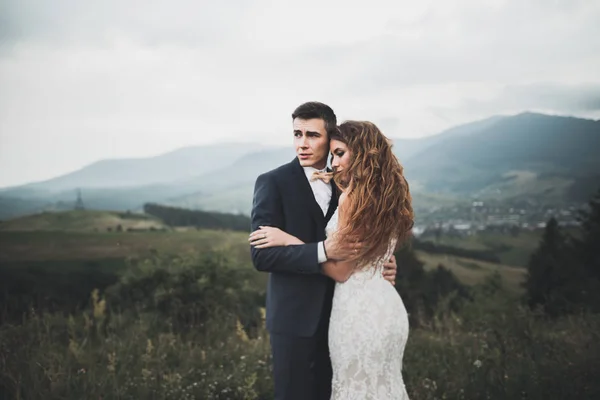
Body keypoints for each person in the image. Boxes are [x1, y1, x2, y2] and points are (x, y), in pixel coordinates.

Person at [250, 119, 413, 399]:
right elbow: (377, 247)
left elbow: (341, 271)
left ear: (361, 154)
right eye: (297, 134)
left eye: (339, 154)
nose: (334, 163)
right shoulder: (387, 195)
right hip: (385, 306)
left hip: (358, 311)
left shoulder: (352, 197)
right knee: (382, 386)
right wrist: (380, 264)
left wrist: (288, 239)